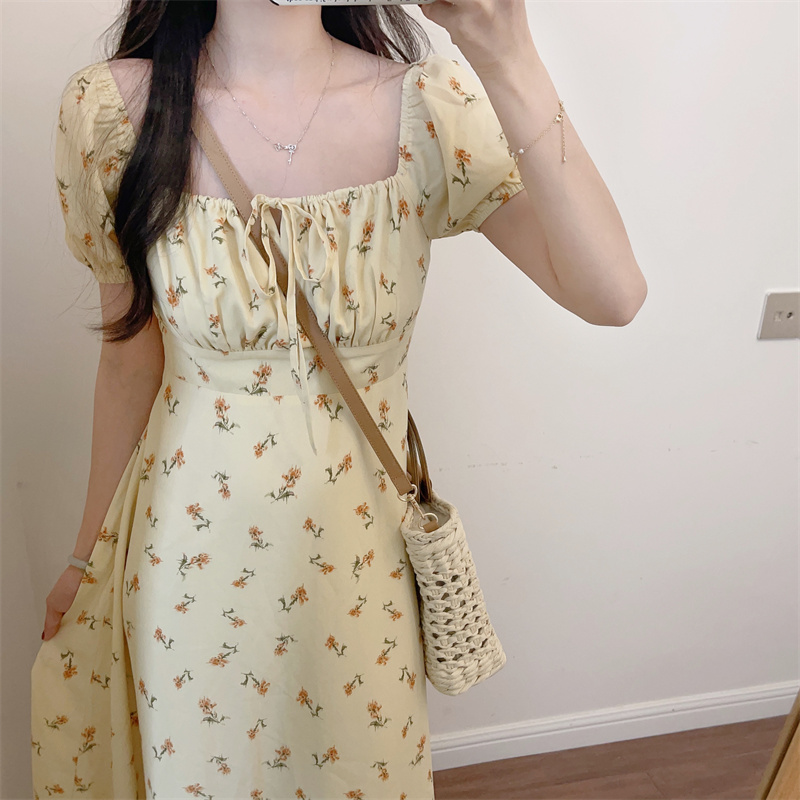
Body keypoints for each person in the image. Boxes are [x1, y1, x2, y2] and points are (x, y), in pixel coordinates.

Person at [31, 1, 646, 797]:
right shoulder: (115, 112)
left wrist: (507, 53)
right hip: (191, 567)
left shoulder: (429, 107)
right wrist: (85, 560)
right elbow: (128, 361)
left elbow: (612, 294)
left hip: (360, 570)